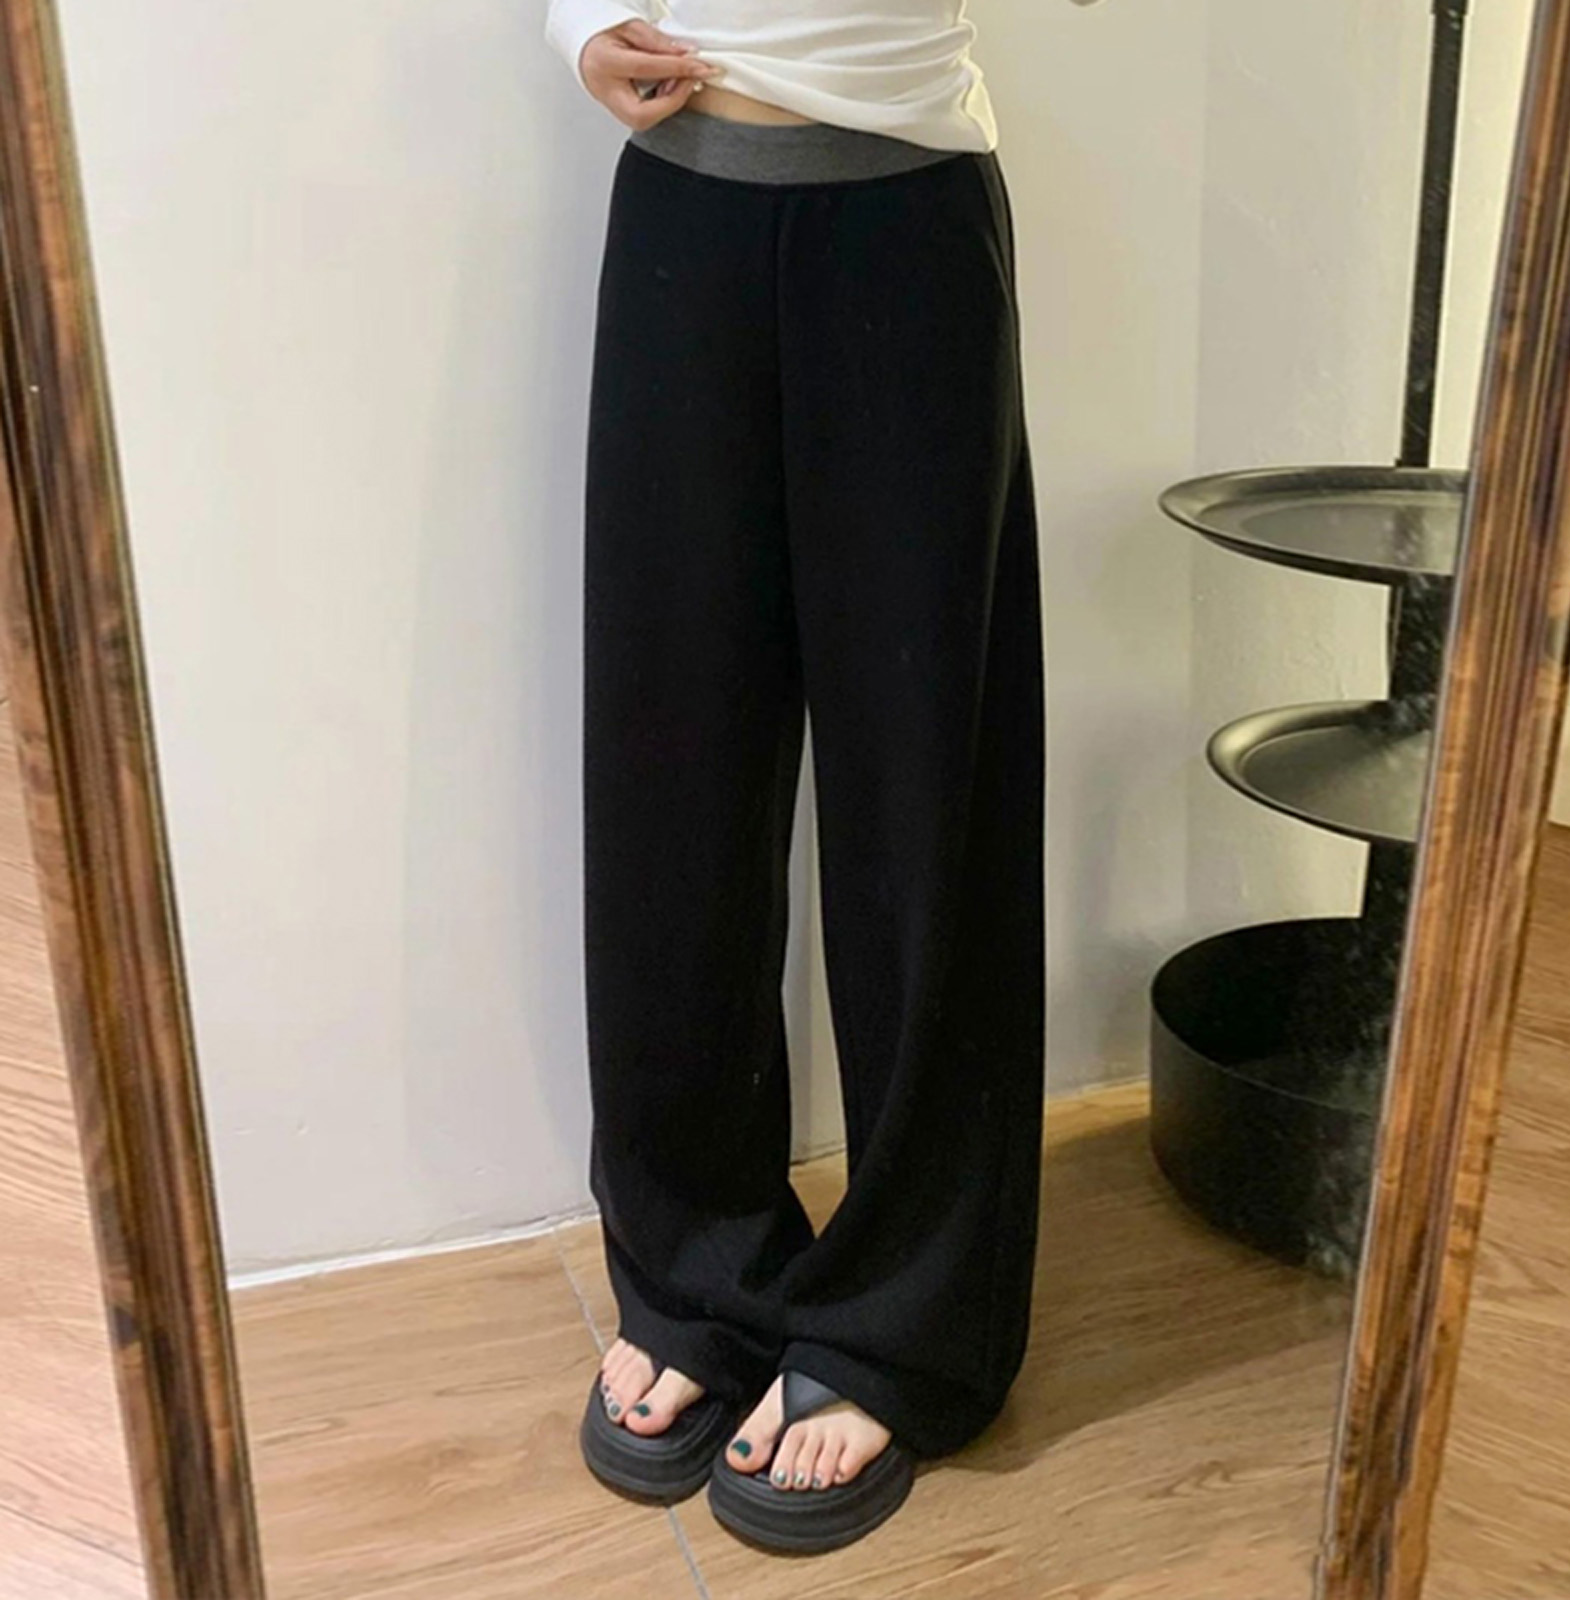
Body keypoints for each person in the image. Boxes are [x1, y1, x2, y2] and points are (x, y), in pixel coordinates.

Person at [549, 0, 1046, 1554]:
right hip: (679, 206)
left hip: (903, 209)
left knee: (925, 788)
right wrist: (575, 19)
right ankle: (695, 1264)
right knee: (668, 769)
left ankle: (911, 1309)